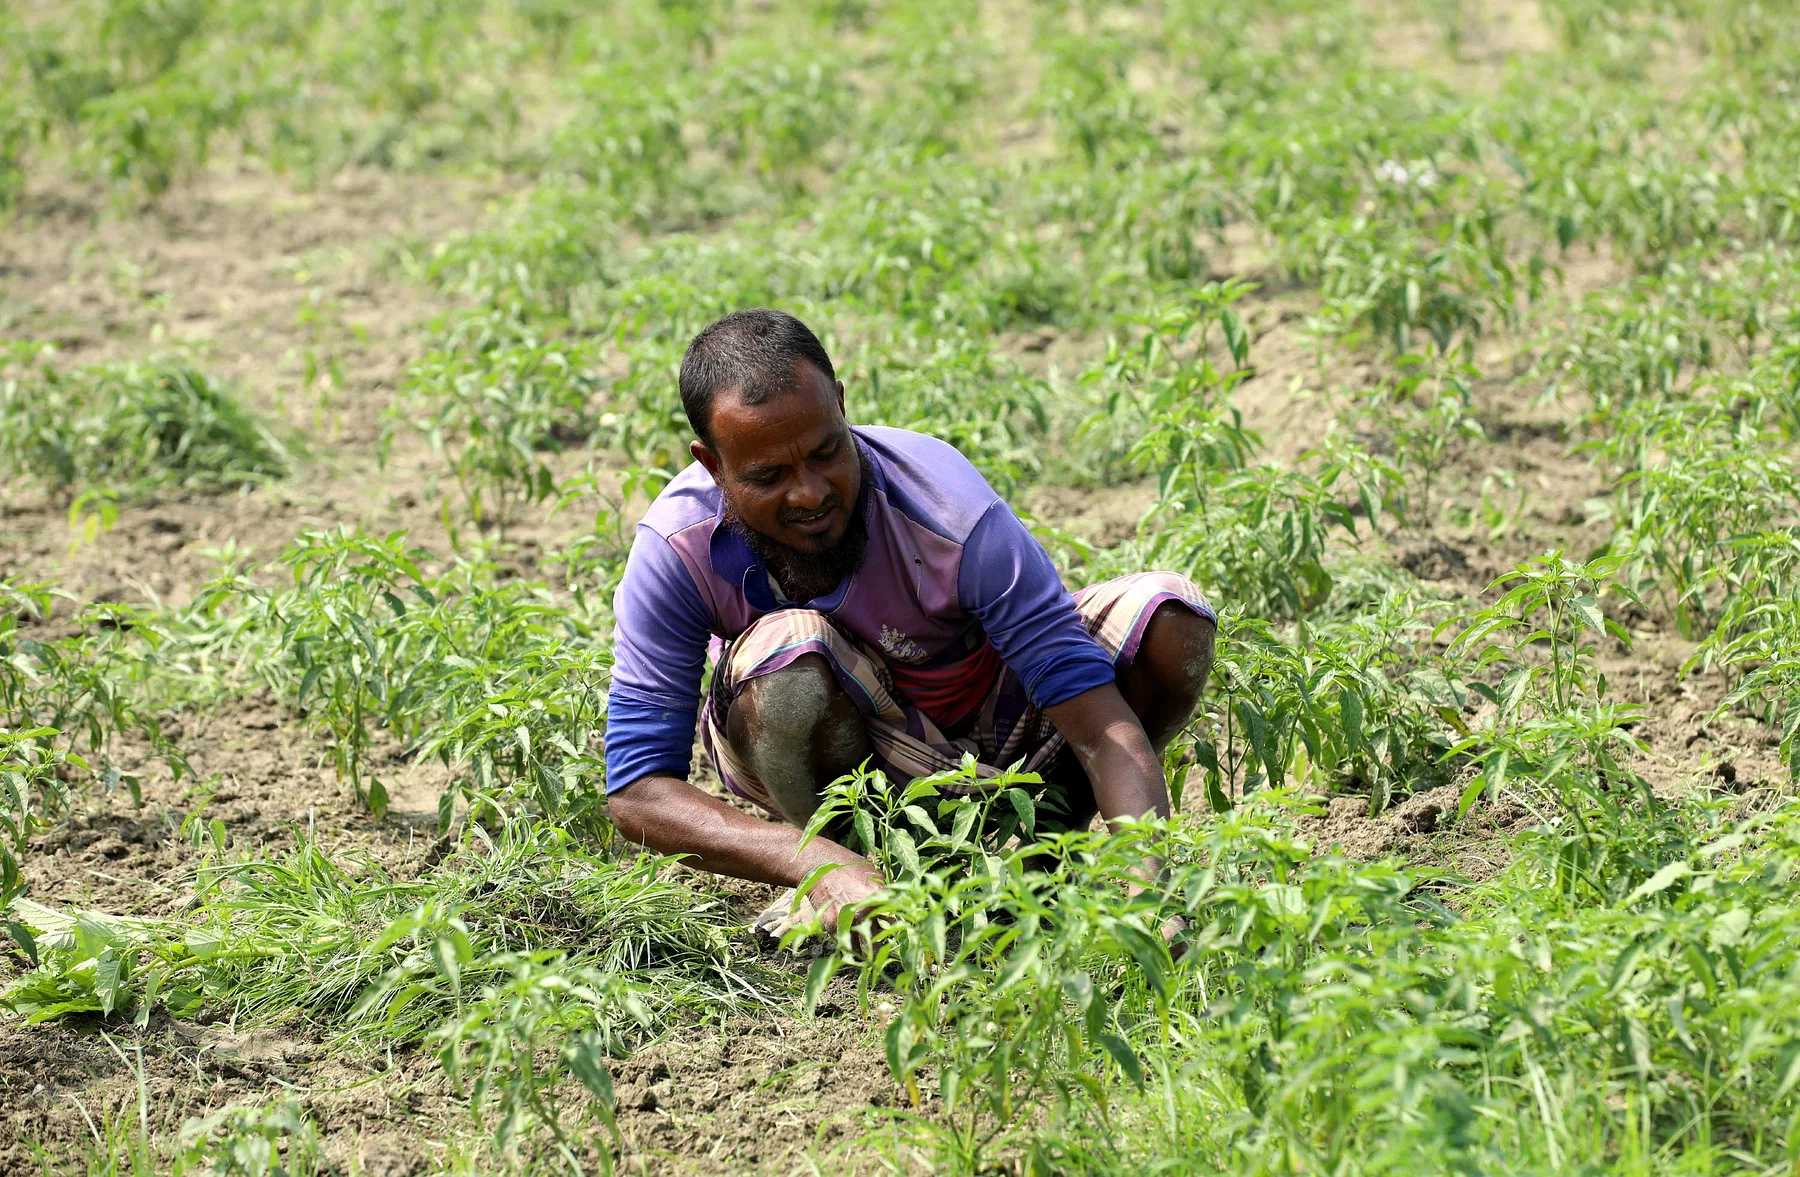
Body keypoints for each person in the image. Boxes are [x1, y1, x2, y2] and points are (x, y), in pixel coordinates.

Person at [604, 309, 1216, 934]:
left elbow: (1094, 716)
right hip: (837, 761)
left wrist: (1151, 892)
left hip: (992, 729)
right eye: (769, 477)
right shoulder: (677, 546)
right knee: (788, 653)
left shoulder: (944, 504)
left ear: (841, 407)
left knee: (1169, 618)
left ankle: (1043, 860)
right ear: (712, 464)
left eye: (825, 452)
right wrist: (816, 862)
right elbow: (637, 790)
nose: (811, 493)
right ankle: (852, 878)